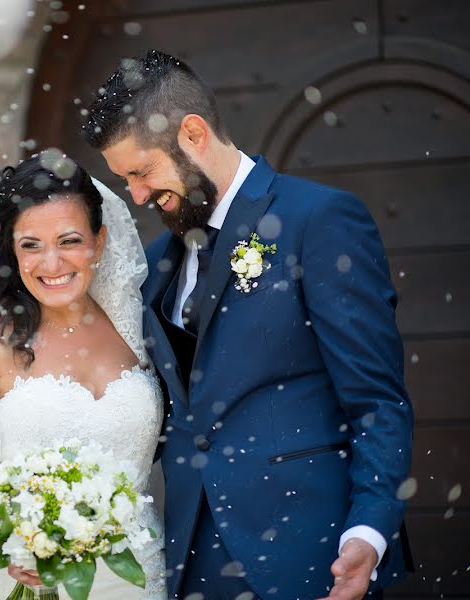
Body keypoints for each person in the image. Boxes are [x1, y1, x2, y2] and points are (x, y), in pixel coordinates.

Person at [82, 49, 413, 600]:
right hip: (191, 556)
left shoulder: (319, 219)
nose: (136, 196)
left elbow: (376, 399)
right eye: (125, 180)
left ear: (192, 134)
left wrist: (369, 530)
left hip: (310, 550)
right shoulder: (157, 258)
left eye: (141, 172)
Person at [0, 155, 167, 599]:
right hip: (26, 582)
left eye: (69, 240)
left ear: (100, 240)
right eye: (31, 245)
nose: (51, 263)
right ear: (12, 253)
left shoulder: (141, 331)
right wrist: (12, 543)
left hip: (139, 576)